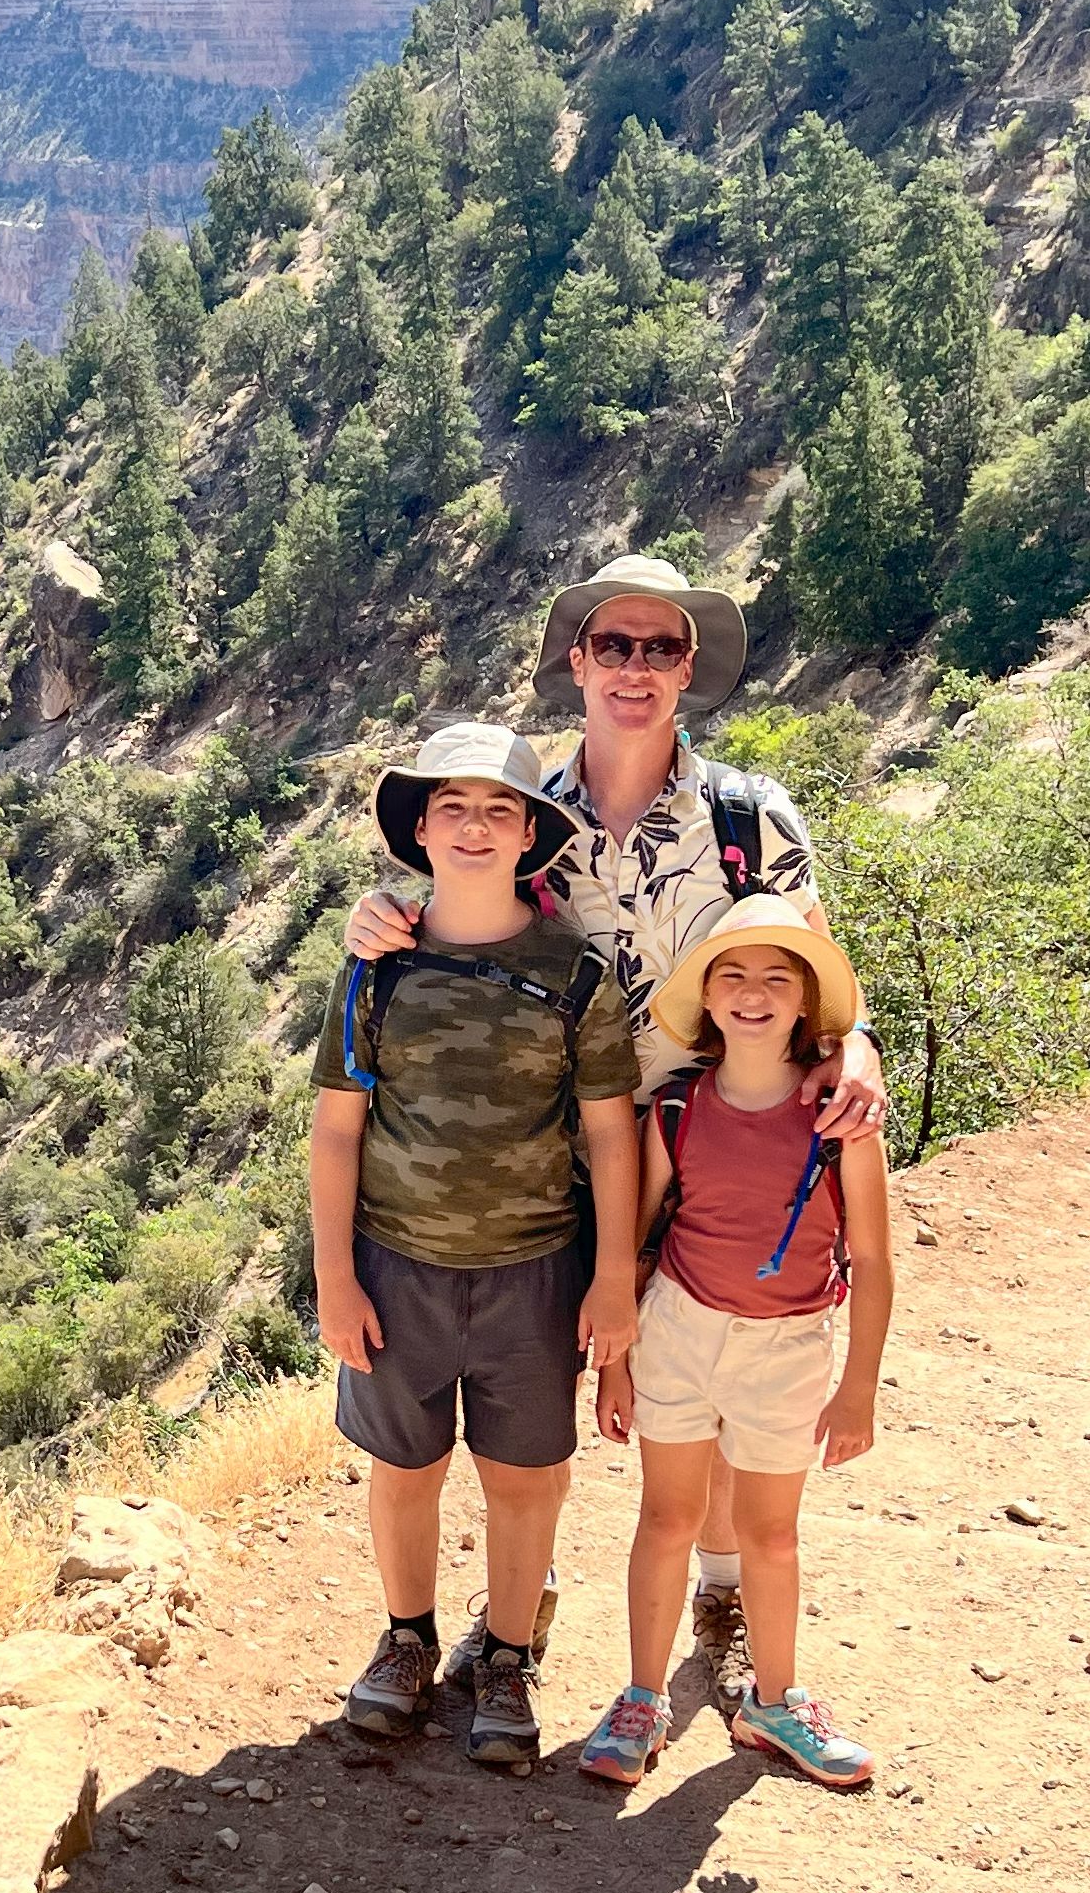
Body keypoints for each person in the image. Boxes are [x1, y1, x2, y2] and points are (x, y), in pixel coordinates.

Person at [345, 552, 885, 1710]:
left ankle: (724, 1602)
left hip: (713, 1140)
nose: (636, 668)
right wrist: (378, 914)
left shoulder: (751, 818)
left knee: (724, 1365)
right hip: (565, 1148)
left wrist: (862, 1052)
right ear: (576, 663)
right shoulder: (531, 812)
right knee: (574, 1384)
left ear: (691, 668)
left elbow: (819, 966)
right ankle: (515, 1623)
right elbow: (461, 918)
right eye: (615, 646)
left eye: (662, 647)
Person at [309, 722, 643, 1771]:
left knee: (525, 1475)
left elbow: (609, 1133)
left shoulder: (574, 972)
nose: (474, 826)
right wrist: (333, 1278)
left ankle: (505, 1653)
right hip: (395, 1263)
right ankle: (408, 1641)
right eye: (451, 807)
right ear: (419, 828)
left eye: (499, 809)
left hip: (535, 1269)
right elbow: (334, 1128)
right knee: (404, 1467)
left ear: (529, 833)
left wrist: (614, 1275)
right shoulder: (375, 968)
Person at [576, 897, 894, 1789]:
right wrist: (618, 1363)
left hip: (789, 1344)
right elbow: (639, 1246)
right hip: (679, 1328)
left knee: (772, 1533)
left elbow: (870, 1256)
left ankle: (776, 1700)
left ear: (806, 1004)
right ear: (707, 999)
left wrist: (859, 1387)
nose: (753, 994)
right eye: (732, 976)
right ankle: (643, 1697)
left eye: (776, 978)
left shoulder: (840, 1125)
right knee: (667, 1517)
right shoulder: (676, 1107)